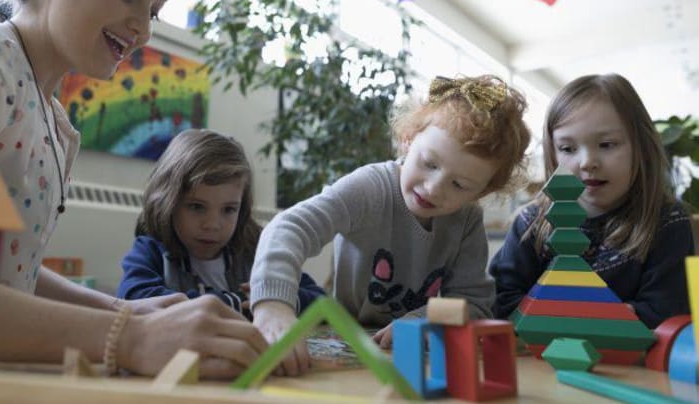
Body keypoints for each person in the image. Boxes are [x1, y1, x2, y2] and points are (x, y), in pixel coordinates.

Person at [0, 0, 266, 379]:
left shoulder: (50, 120)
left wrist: (126, 312)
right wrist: (133, 337)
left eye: (154, 11)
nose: (141, 28)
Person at [250, 74, 532, 375]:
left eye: (460, 185)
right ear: (408, 140)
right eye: (430, 163)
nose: (435, 188)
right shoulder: (370, 187)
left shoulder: (467, 220)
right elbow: (288, 227)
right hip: (346, 338)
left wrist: (421, 320)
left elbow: (472, 302)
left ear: (482, 191)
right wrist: (272, 305)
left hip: (407, 353)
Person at [490, 73, 694, 329]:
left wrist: (587, 317)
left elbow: (666, 313)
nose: (587, 162)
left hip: (629, 366)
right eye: (568, 148)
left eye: (607, 144)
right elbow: (502, 301)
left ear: (641, 147)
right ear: (553, 154)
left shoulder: (666, 222)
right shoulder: (530, 223)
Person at [117, 128, 325, 316]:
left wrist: (276, 301)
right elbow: (134, 298)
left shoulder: (257, 251)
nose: (212, 225)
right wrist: (235, 303)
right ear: (169, 202)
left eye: (228, 209)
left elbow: (321, 301)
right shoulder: (151, 249)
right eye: (197, 206)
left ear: (241, 208)